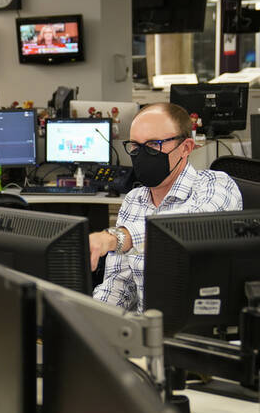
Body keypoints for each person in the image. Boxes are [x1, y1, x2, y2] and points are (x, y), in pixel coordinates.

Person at [89, 103, 242, 312]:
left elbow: (188, 226)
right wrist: (89, 320)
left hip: (198, 332)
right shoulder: (134, 200)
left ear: (186, 148)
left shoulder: (216, 186)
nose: (141, 154)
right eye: (135, 146)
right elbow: (120, 287)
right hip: (146, 332)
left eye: (153, 145)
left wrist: (117, 238)